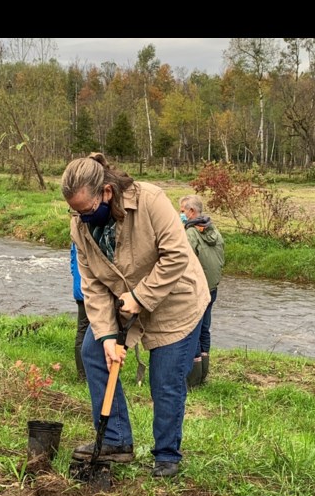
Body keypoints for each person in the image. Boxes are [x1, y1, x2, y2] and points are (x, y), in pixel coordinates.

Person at [62, 153, 209, 478]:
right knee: (94, 350)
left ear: (107, 193)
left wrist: (141, 297)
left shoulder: (150, 200)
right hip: (122, 297)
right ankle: (115, 441)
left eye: (86, 210)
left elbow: (176, 257)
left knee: (165, 379)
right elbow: (93, 283)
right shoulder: (81, 226)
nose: (81, 218)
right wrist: (108, 336)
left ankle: (166, 456)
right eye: (75, 211)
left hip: (175, 298)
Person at [179, 195, 225, 388]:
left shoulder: (190, 233)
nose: (180, 214)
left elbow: (183, 261)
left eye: (182, 211)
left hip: (197, 290)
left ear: (191, 212)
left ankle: (192, 379)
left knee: (193, 331)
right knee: (204, 329)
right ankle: (203, 373)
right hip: (212, 287)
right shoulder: (213, 229)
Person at [71, 242, 89, 381]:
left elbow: (72, 265)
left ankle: (82, 374)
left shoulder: (75, 239)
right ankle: (85, 375)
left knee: (82, 332)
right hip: (89, 292)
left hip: (79, 289)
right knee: (86, 332)